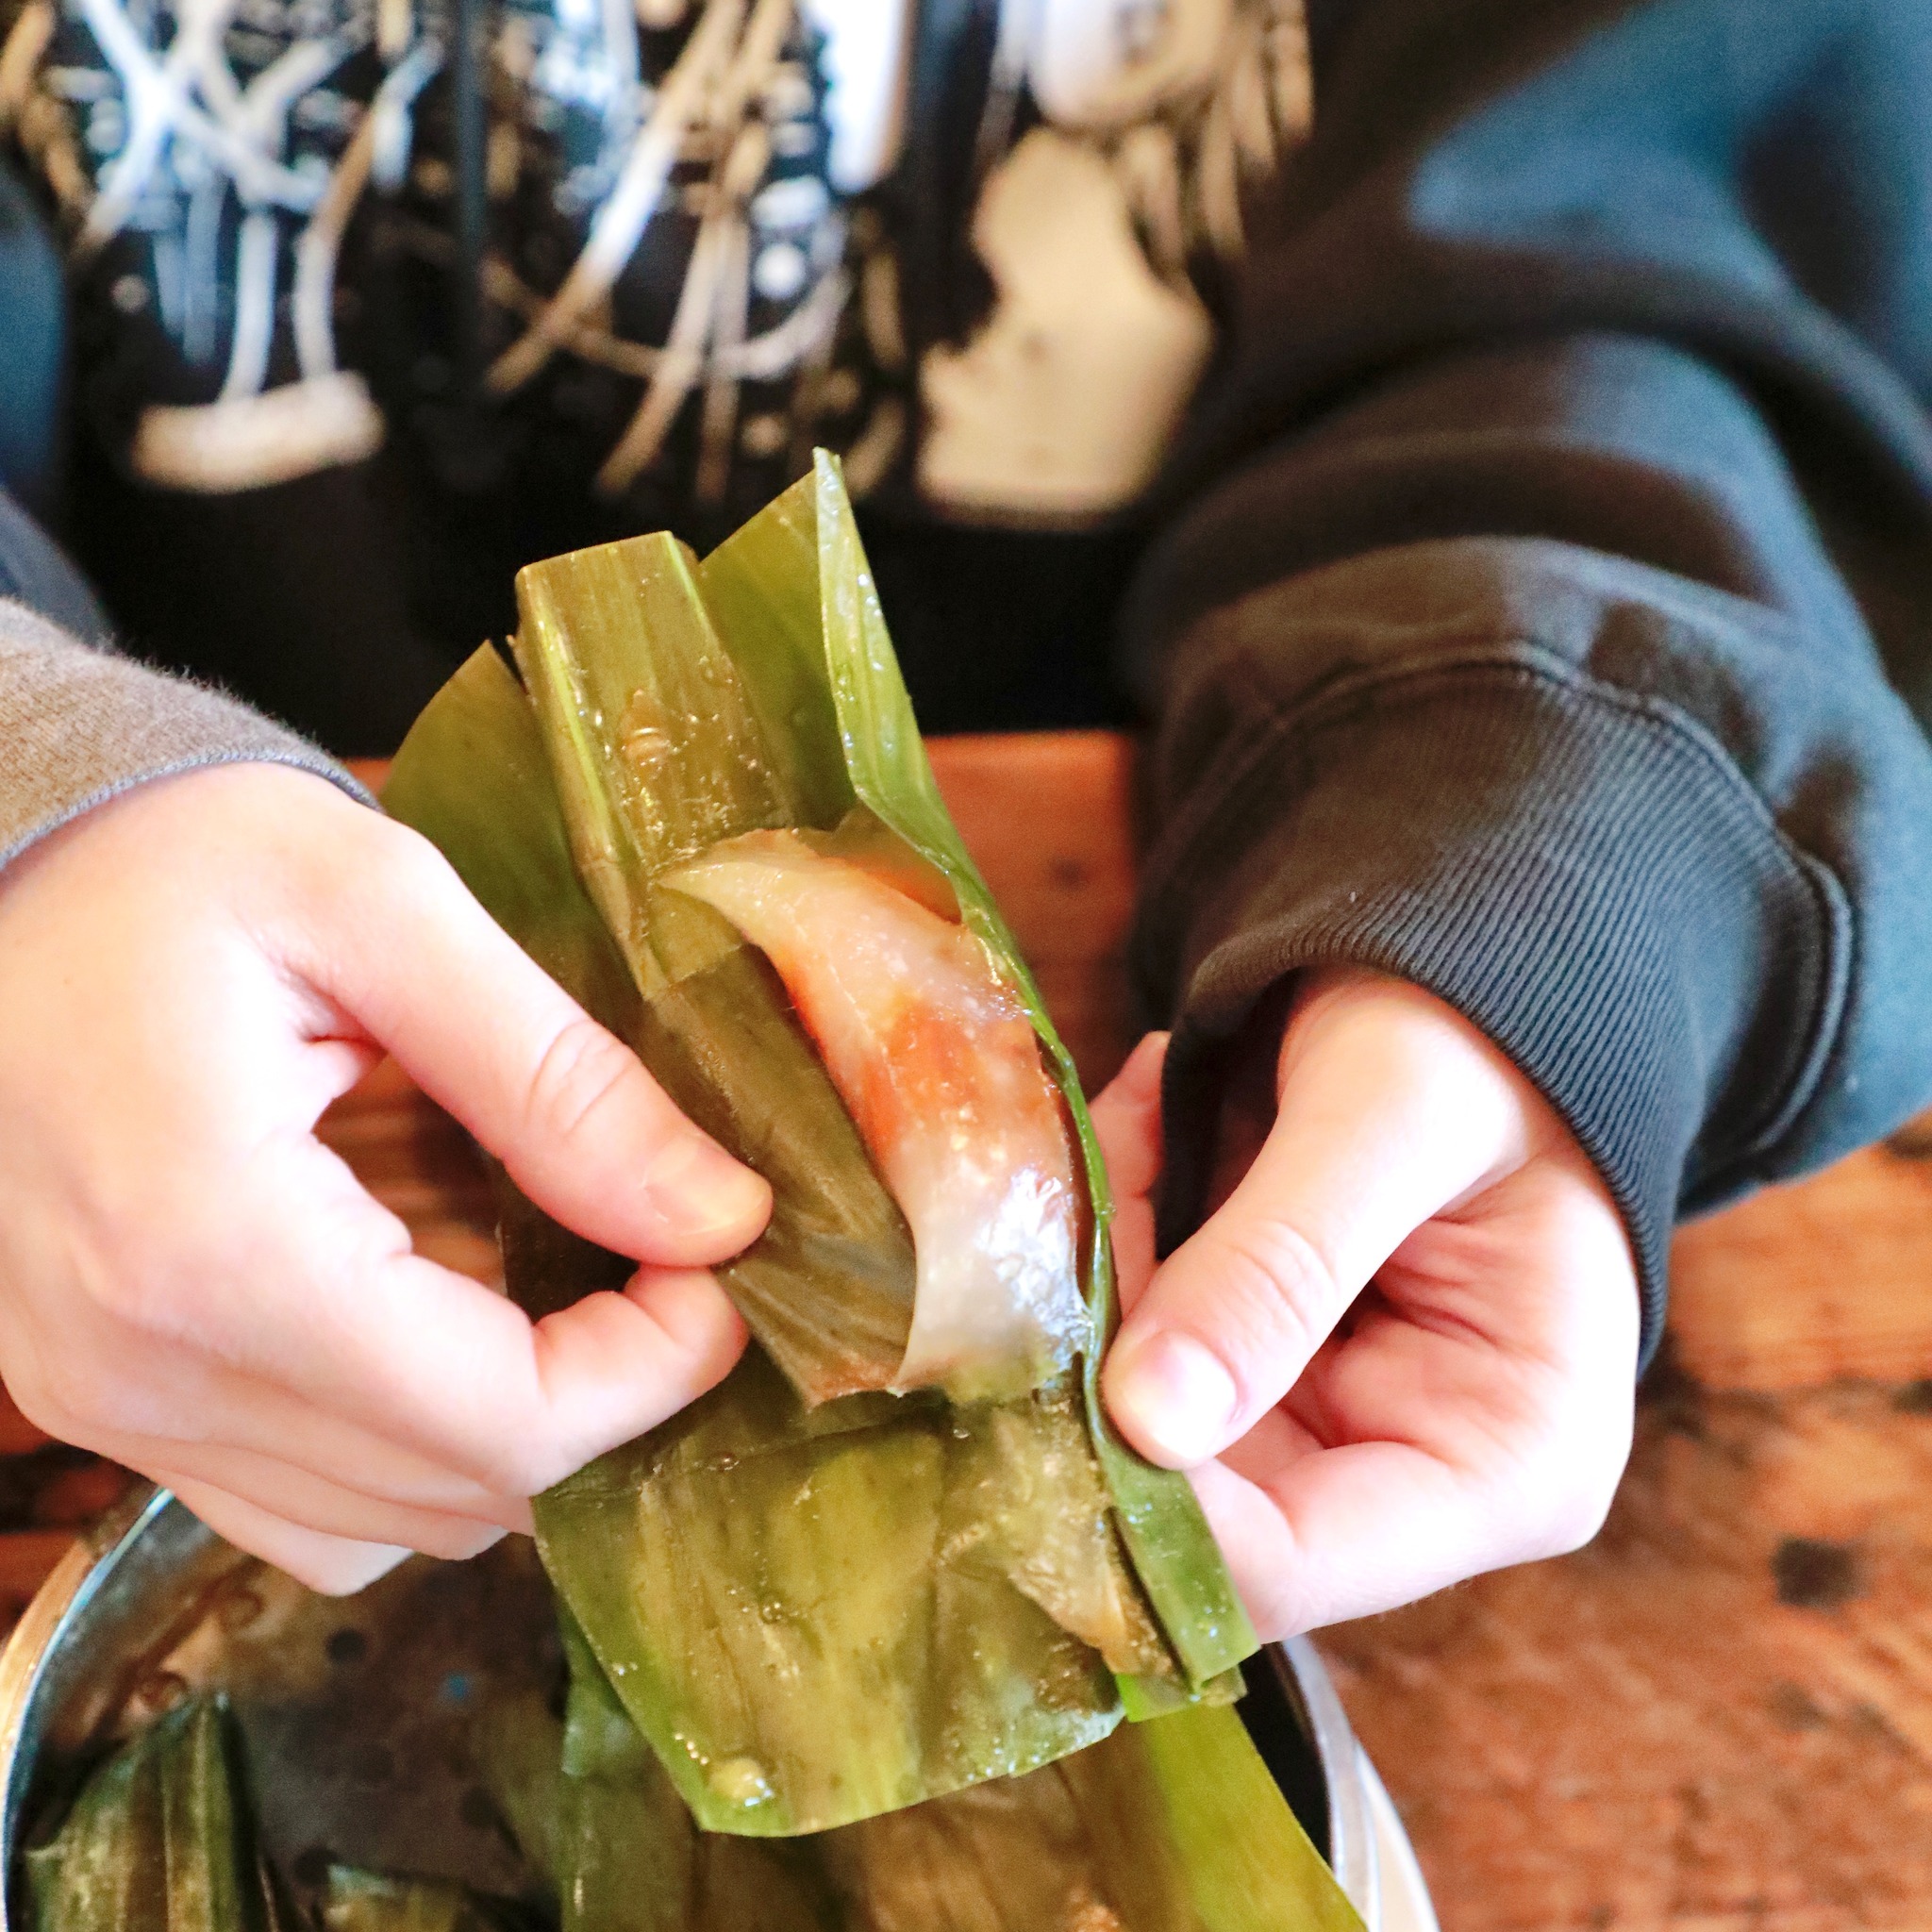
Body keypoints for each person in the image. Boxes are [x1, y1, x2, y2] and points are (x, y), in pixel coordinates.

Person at [1, 0, 1930, 1635]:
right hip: (169, 1103)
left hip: (1206, 1073)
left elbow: (1660, 269)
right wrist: (40, 803)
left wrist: (1541, 870)